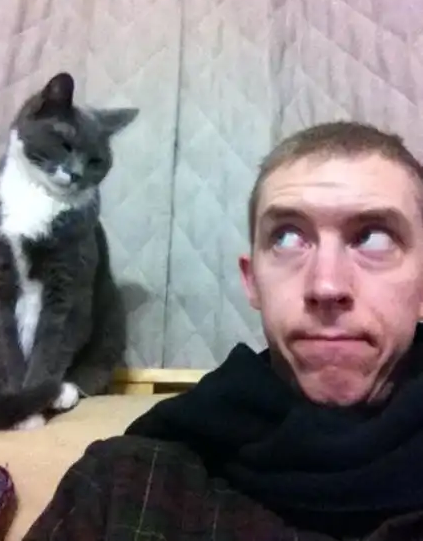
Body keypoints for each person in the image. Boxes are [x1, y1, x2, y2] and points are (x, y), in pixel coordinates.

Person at [23, 121, 423, 541]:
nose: (326, 285)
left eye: (374, 238)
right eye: (288, 237)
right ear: (253, 282)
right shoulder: (124, 486)